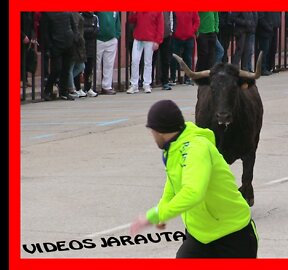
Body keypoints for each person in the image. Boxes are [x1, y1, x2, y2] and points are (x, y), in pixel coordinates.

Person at [130, 100, 259, 258]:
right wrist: (162, 212)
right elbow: (172, 184)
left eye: (152, 130)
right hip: (200, 235)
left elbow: (193, 192)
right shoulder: (173, 147)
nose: (152, 135)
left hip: (233, 234)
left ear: (160, 130)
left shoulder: (196, 149)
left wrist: (154, 215)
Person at [126, 12, 164, 94]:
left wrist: (157, 41)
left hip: (150, 39)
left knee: (148, 62)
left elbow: (160, 26)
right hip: (138, 38)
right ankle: (134, 84)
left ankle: (147, 83)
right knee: (135, 61)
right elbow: (131, 20)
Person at [95, 12, 121, 95]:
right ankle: (94, 85)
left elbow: (117, 22)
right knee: (96, 64)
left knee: (109, 64)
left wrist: (117, 35)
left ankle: (107, 86)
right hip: (99, 39)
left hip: (111, 39)